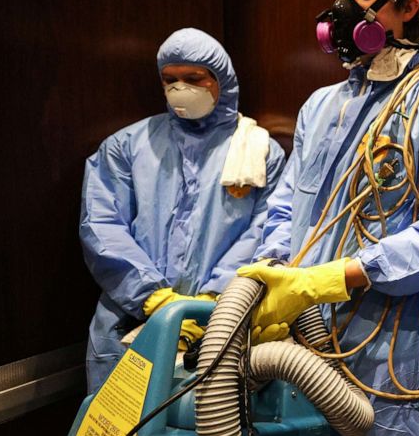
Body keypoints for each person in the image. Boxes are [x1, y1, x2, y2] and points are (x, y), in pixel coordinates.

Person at [237, 0, 419, 435]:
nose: (344, 4)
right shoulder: (320, 106)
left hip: (389, 360)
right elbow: (286, 209)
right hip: (302, 346)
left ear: (407, 4)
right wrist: (275, 278)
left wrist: (333, 278)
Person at [80, 28, 285, 393]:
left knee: (211, 421)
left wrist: (215, 299)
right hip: (129, 320)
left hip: (221, 323)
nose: (180, 88)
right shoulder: (125, 147)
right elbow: (101, 226)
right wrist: (152, 297)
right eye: (169, 80)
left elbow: (267, 230)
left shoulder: (259, 152)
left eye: (193, 79)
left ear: (221, 81)